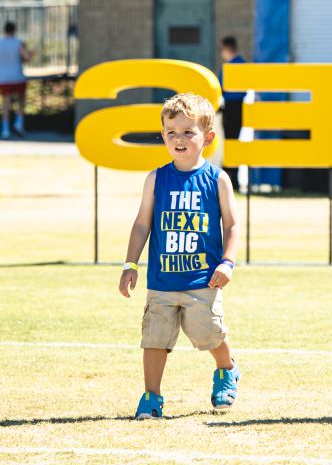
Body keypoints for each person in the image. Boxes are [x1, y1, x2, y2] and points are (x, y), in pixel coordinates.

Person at [118, 93, 242, 420]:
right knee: (154, 338)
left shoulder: (217, 179)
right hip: (161, 280)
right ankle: (151, 397)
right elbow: (142, 223)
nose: (179, 139)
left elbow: (231, 226)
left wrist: (228, 262)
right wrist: (130, 264)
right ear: (163, 137)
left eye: (188, 132)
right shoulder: (156, 178)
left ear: (208, 137)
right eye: (171, 132)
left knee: (208, 334)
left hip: (203, 280)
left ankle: (226, 369)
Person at [0, 21, 32, 139]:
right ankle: (19, 123)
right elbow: (26, 57)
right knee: (21, 100)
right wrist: (31, 53)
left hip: (3, 78)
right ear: (14, 30)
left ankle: (5, 129)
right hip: (17, 76)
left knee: (5, 103)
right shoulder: (18, 43)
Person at [217, 36, 247, 191]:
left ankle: (231, 179)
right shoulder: (242, 64)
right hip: (239, 108)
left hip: (231, 108)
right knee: (234, 143)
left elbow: (220, 87)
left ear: (227, 49)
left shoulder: (231, 67)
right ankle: (233, 179)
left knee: (230, 143)